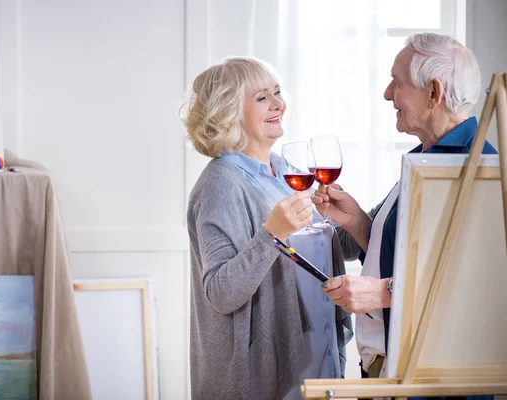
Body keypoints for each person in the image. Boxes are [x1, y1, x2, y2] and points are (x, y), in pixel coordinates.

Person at [315, 32, 498, 387]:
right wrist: (358, 223)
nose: (387, 94)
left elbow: (474, 287)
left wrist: (383, 293)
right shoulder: (427, 157)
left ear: (434, 92)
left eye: (397, 83)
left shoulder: (475, 167)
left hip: (432, 381)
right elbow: (411, 255)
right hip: (391, 373)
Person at [182, 57, 353, 400]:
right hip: (264, 376)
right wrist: (272, 233)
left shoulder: (284, 170)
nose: (279, 104)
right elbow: (221, 292)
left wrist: (348, 219)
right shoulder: (221, 183)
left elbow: (327, 251)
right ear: (228, 111)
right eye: (262, 98)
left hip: (316, 355)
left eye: (277, 92)